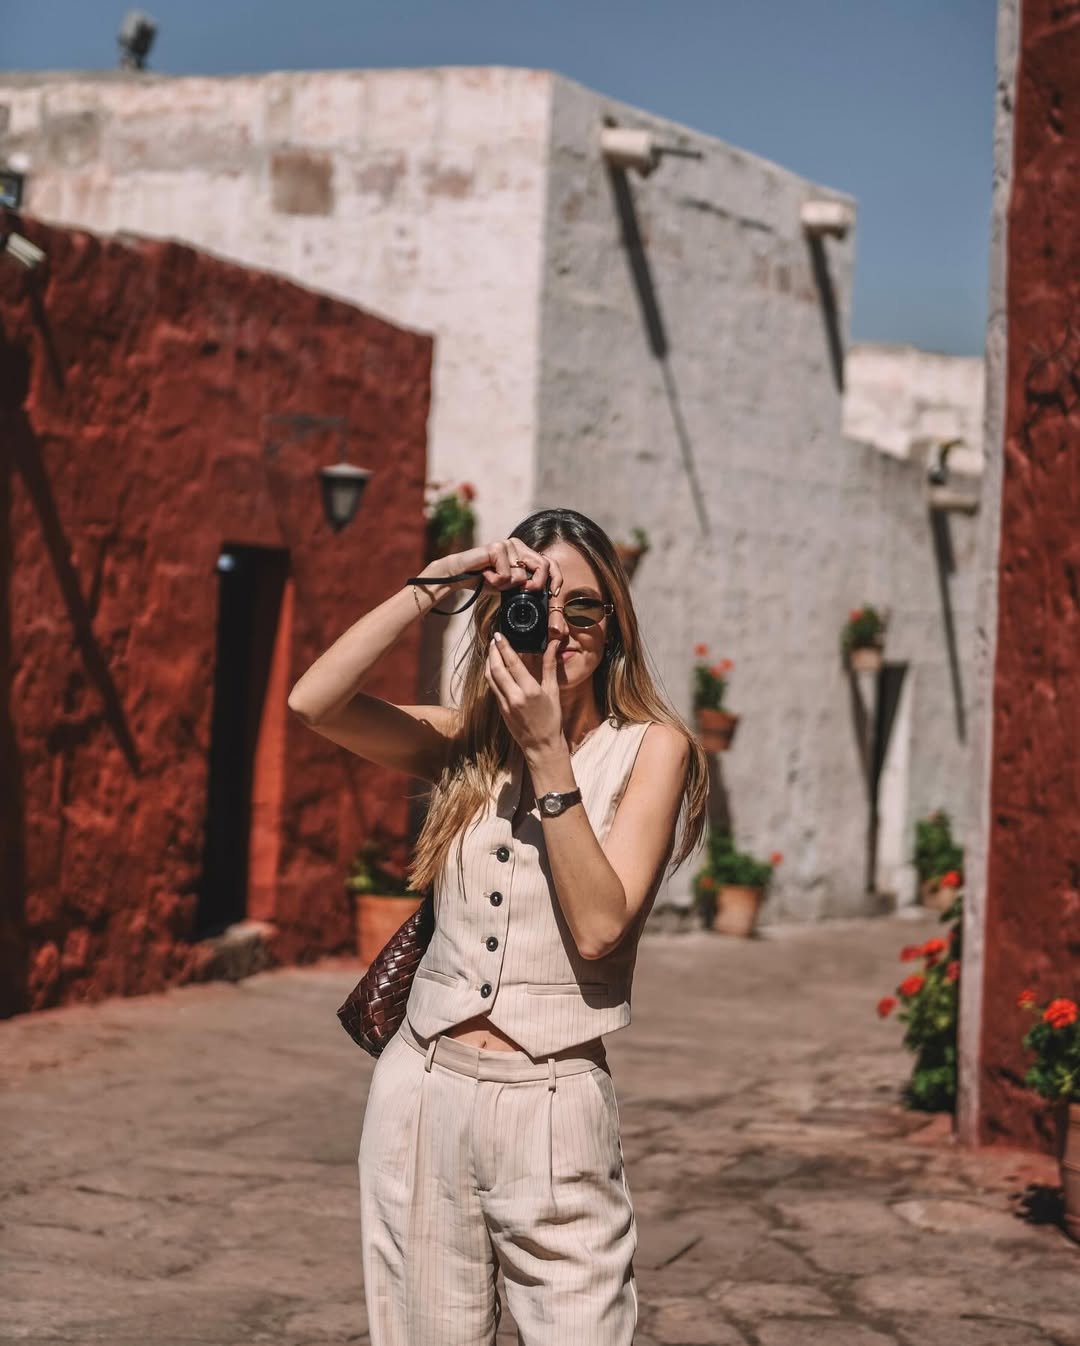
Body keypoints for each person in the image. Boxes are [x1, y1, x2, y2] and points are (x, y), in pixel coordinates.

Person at [288, 507, 708, 1346]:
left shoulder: (653, 749)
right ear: (501, 615)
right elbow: (314, 702)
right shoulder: (467, 743)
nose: (559, 624)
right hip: (421, 1093)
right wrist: (435, 583)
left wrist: (550, 756)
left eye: (583, 607)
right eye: (534, 598)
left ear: (614, 625)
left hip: (552, 1106)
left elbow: (599, 930)